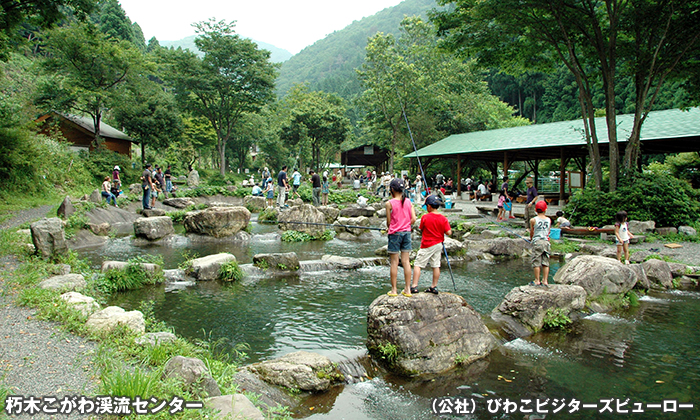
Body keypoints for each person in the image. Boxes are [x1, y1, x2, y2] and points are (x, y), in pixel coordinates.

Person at [410, 194, 452, 295]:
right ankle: (433, 286)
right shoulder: (443, 218)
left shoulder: (425, 217)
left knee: (418, 264)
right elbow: (449, 233)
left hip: (427, 244)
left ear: (429, 206)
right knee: (436, 265)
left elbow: (421, 228)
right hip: (438, 244)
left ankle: (414, 286)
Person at [385, 178, 417, 297]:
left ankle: (394, 290)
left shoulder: (389, 203)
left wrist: (393, 226)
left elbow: (389, 222)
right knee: (406, 262)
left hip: (394, 234)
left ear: (392, 189)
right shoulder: (409, 202)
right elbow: (413, 219)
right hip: (407, 233)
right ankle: (407, 290)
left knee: (394, 262)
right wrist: (405, 224)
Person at [529, 201, 551, 286]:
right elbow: (548, 231)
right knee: (545, 262)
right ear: (545, 209)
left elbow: (532, 232)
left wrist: (531, 239)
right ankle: (545, 280)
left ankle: (537, 280)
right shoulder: (549, 220)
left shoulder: (533, 220)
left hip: (537, 242)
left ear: (535, 210)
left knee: (536, 261)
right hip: (546, 242)